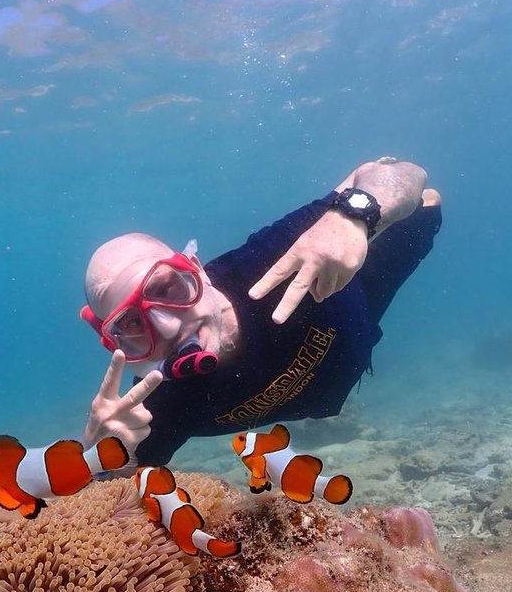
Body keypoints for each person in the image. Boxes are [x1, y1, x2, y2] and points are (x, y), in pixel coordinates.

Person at [79, 157, 442, 467]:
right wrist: (101, 457)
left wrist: (354, 215)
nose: (168, 326)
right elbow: (116, 495)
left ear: (196, 268)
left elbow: (413, 174)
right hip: (338, 363)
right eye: (131, 323)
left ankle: (351, 209)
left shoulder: (269, 258)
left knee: (424, 204)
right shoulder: (150, 408)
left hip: (355, 290)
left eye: (166, 288)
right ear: (116, 343)